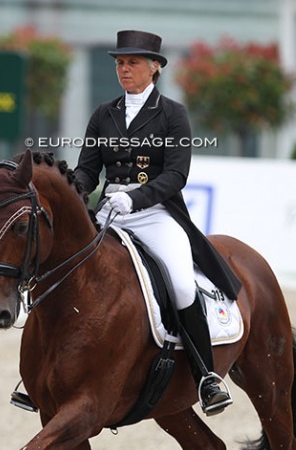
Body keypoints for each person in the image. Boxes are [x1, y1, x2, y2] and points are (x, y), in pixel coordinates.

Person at [74, 30, 241, 416]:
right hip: (109, 212)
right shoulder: (104, 114)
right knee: (68, 270)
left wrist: (134, 197)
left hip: (155, 212)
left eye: (132, 62)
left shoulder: (172, 114)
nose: (124, 69)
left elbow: (176, 175)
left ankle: (206, 377)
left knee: (182, 284)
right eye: (119, 62)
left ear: (155, 68)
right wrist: (73, 192)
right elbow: (87, 171)